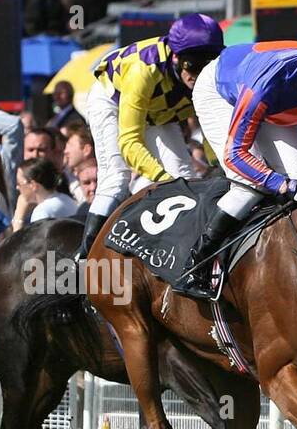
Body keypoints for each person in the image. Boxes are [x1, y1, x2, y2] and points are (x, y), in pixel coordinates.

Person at [181, 16, 297, 297]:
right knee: (249, 187)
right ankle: (196, 265)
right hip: (222, 92)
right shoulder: (267, 83)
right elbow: (235, 155)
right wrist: (284, 185)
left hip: (275, 104)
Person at [77, 13, 224, 259]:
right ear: (176, 57)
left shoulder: (208, 75)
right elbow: (129, 142)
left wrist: (218, 165)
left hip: (159, 112)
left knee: (185, 177)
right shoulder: (142, 71)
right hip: (112, 100)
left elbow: (211, 130)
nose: (198, 75)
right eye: (192, 65)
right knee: (116, 180)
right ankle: (83, 259)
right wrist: (163, 180)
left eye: (207, 64)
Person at [13, 158, 78, 229]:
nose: (17, 187)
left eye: (19, 183)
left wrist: (18, 218)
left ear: (33, 185)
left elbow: (36, 239)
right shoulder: (68, 199)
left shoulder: (42, 211)